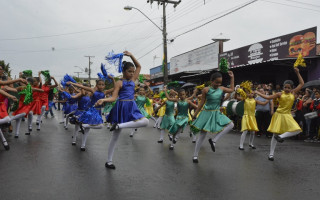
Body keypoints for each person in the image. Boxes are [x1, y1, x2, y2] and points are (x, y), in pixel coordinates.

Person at [96, 51, 149, 169]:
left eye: (132, 71)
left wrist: (131, 55)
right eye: (129, 71)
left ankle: (119, 126)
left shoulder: (133, 80)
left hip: (132, 106)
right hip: (121, 107)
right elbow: (114, 97)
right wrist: (103, 100)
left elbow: (139, 66)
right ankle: (108, 161)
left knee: (145, 121)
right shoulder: (120, 82)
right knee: (115, 137)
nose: (131, 73)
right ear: (124, 71)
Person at [255, 68, 304, 161]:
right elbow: (268, 97)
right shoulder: (279, 94)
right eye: (285, 87)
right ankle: (271, 154)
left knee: (297, 130)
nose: (286, 89)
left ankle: (281, 137)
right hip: (279, 115)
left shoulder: (293, 93)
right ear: (283, 87)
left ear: (292, 88)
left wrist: (298, 73)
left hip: (287, 115)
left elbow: (302, 84)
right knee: (275, 134)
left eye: (289, 87)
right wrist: (258, 93)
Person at [191, 71, 234, 163]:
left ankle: (214, 141)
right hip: (206, 113)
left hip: (216, 112)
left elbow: (231, 90)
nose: (218, 84)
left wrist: (232, 78)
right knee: (202, 135)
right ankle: (195, 155)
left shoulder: (221, 88)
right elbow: (201, 103)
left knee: (231, 125)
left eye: (220, 82)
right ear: (211, 81)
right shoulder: (206, 90)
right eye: (216, 82)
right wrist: (194, 115)